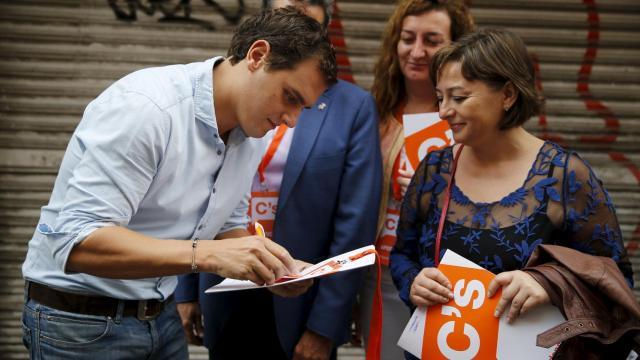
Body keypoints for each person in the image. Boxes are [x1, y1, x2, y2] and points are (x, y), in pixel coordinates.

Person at [20, 8, 337, 360]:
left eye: (303, 108)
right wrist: (209, 256)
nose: (291, 121)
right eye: (290, 97)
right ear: (257, 56)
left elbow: (226, 226)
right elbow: (77, 242)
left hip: (160, 315)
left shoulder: (253, 133)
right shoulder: (147, 108)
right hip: (80, 322)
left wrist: (275, 267)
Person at [390, 28, 634, 359]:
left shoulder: (564, 176)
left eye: (459, 97)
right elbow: (402, 254)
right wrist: (414, 282)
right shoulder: (435, 169)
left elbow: (614, 277)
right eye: (440, 97)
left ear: (507, 95)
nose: (444, 110)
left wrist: (548, 284)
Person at [175, 1, 381, 360]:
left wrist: (324, 325)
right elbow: (196, 192)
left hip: (300, 298)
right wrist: (185, 288)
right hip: (224, 284)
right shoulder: (232, 94)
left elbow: (354, 223)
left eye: (305, 23)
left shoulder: (352, 106)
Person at [357, 1, 474, 358]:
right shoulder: (374, 114)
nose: (418, 51)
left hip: (451, 278)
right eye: (408, 38)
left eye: (433, 40)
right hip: (383, 274)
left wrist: (436, 191)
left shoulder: (474, 116)